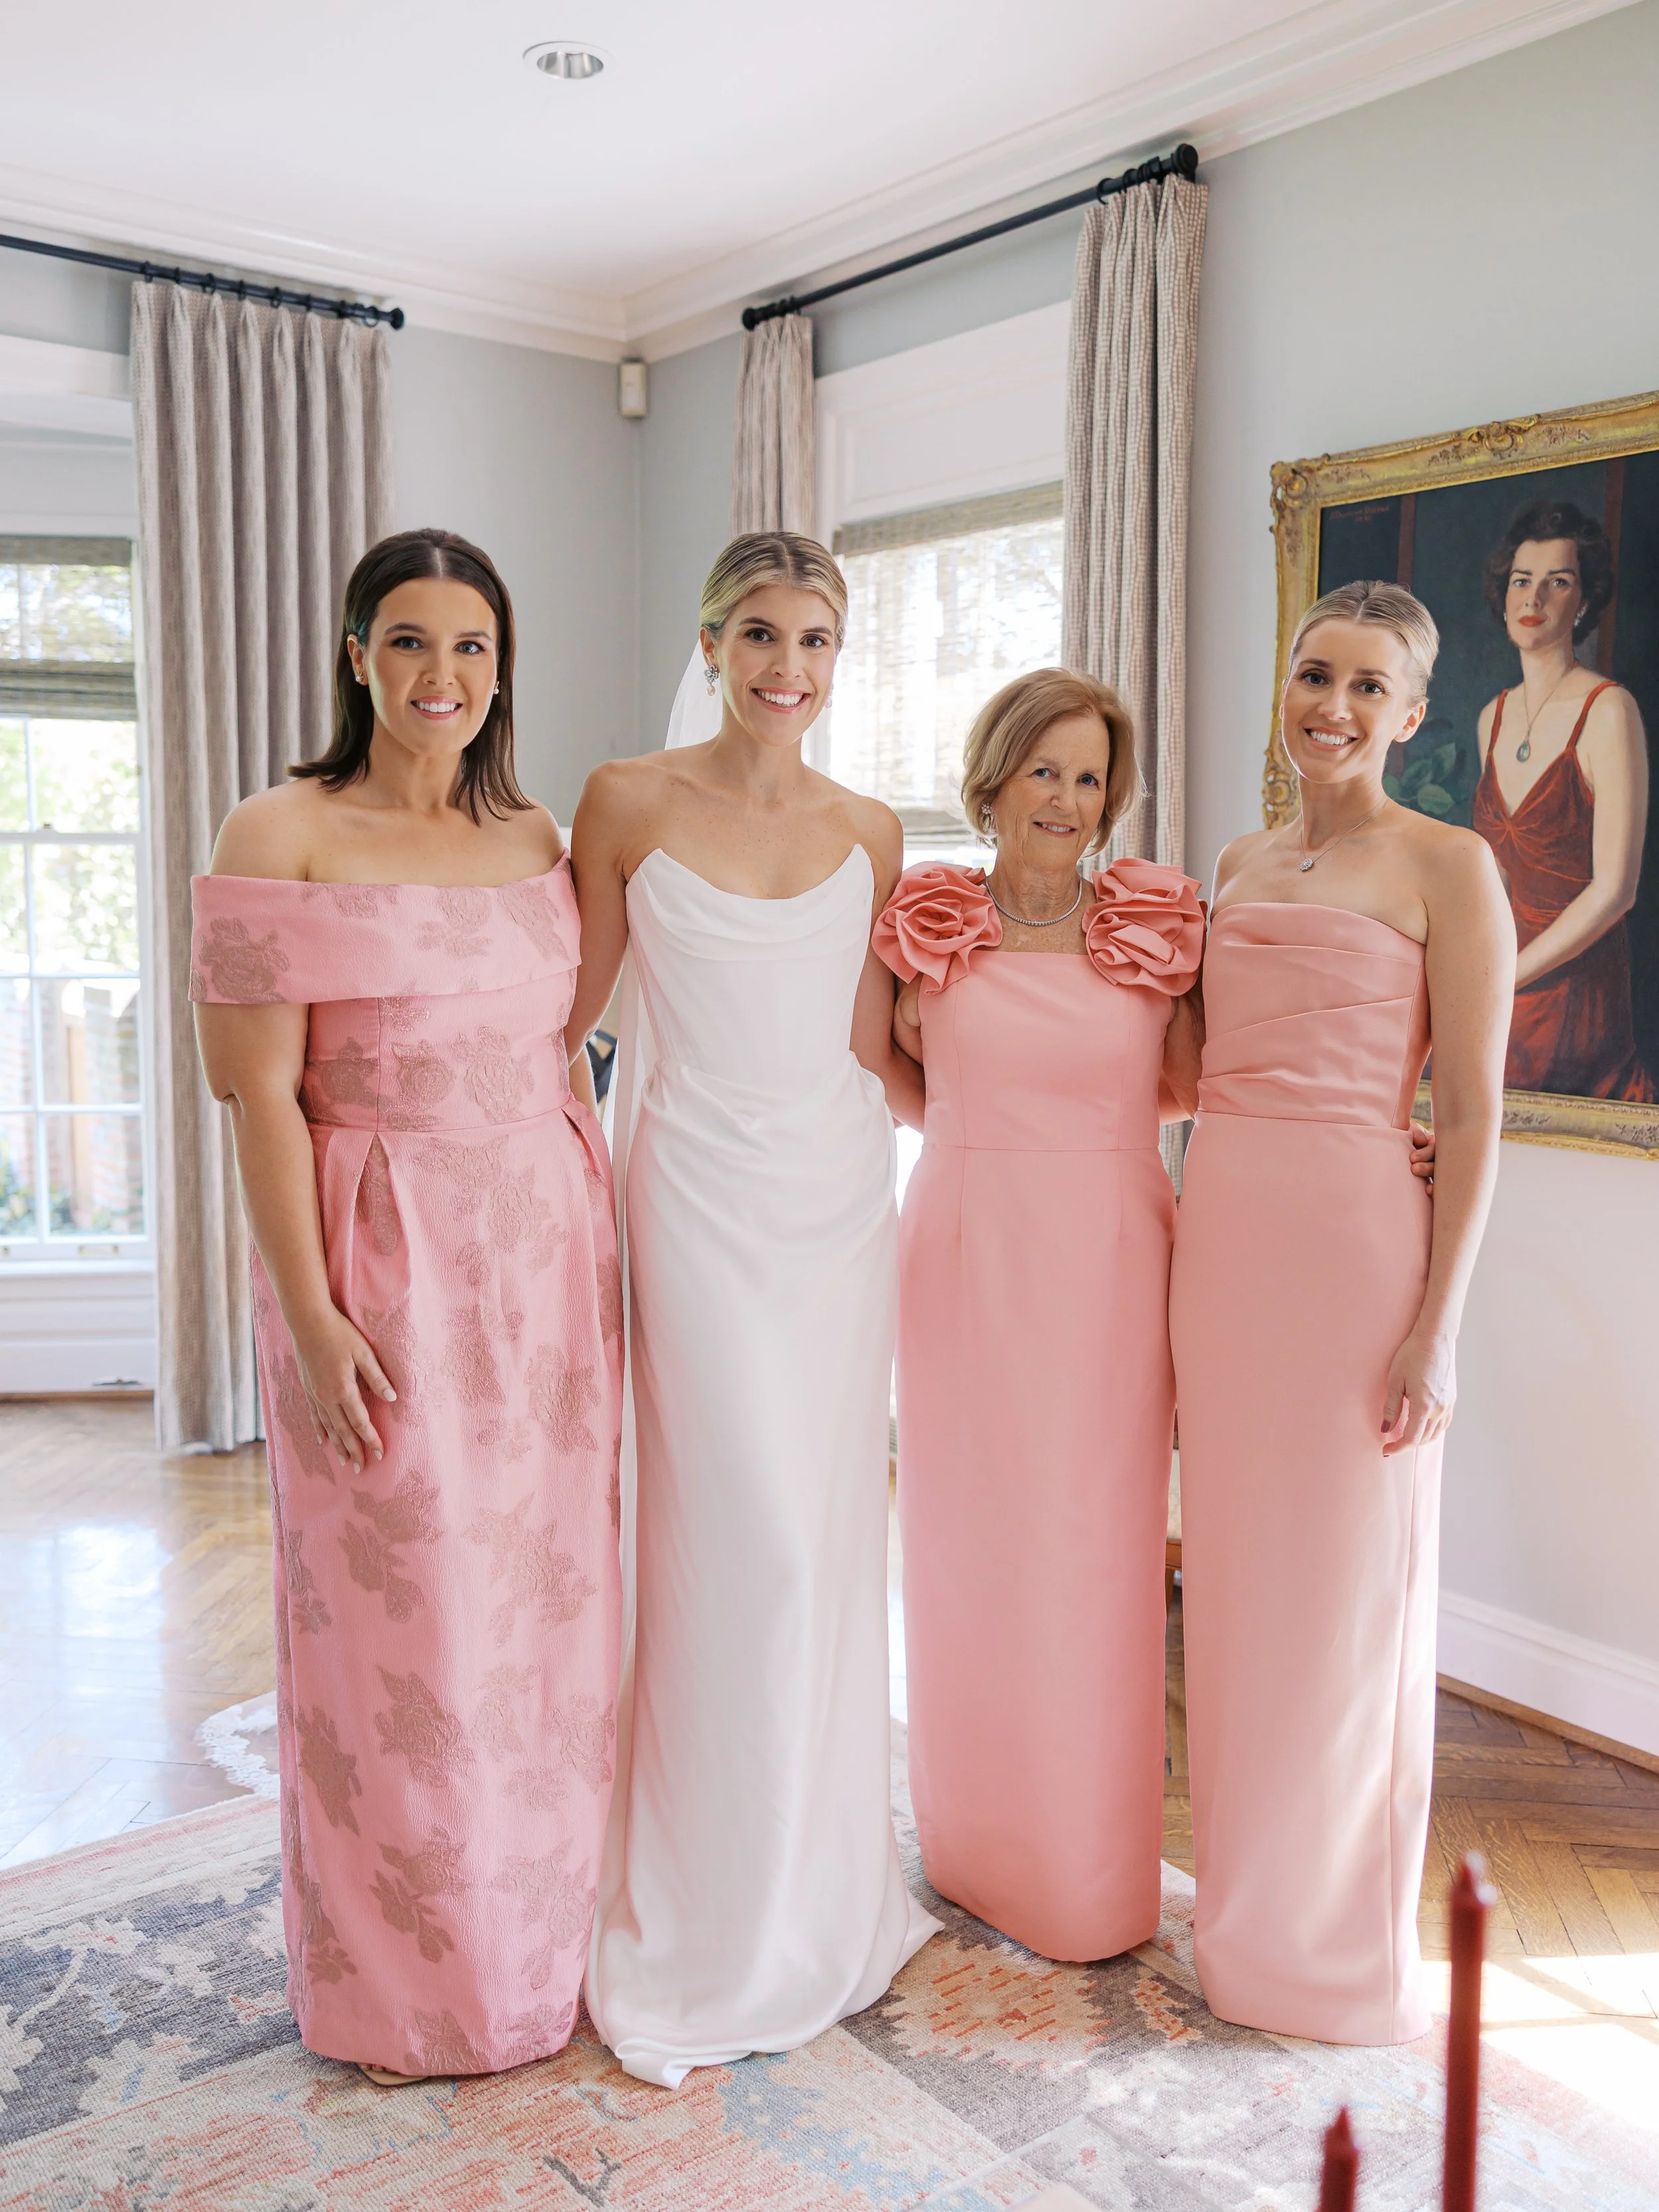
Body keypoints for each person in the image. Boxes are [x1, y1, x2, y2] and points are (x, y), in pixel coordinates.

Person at [192, 529, 622, 2085]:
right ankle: (409, 1993)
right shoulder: (282, 829)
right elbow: (257, 1099)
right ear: (355, 654)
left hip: (543, 1267)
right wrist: (311, 1317)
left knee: (541, 1619)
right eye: (411, 641)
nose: (443, 674)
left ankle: (543, 1952)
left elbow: (564, 1053)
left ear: (502, 668)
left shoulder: (535, 834)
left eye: (472, 646)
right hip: (379, 1254)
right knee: (404, 1625)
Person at [571, 532, 937, 2089]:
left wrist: (1074, 1098)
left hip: (836, 1210)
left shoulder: (872, 830)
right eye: (762, 635)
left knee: (821, 1546)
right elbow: (567, 1017)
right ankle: (707, 1902)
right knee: (741, 1546)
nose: (790, 666)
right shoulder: (624, 800)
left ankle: (814, 1888)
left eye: (816, 639)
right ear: (712, 642)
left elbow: (876, 1048)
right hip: (691, 1201)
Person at [1169, 579, 1514, 2045]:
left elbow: (1476, 1114)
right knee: (1238, 1591)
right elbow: (1190, 1064)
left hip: (1355, 1257)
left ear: (1413, 713)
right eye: (1316, 674)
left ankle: (1329, 1956)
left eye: (1369, 686)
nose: (1334, 706)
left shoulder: (1450, 866)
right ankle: (1241, 1923)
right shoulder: (1238, 861)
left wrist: (1438, 1325)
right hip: (1221, 1241)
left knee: (1343, 1598)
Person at [873, 668, 1204, 1960]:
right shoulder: (929, 921)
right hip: (963, 1257)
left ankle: (1082, 1870)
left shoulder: (1150, 926)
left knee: (1089, 1558)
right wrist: (976, 1141)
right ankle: (973, 1846)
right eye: (1043, 769)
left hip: (1108, 1263)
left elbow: (1196, 1080)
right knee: (967, 1553)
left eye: (1088, 776)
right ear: (995, 779)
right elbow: (886, 1066)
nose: (1065, 798)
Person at [1471, 497, 1652, 1100]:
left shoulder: (1610, 711)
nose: (1534, 598)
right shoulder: (1492, 717)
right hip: (1501, 974)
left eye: (1559, 582)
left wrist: (1506, 978)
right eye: (1522, 580)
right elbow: (1497, 872)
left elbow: (1616, 890)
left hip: (1575, 986)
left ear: (1585, 602)